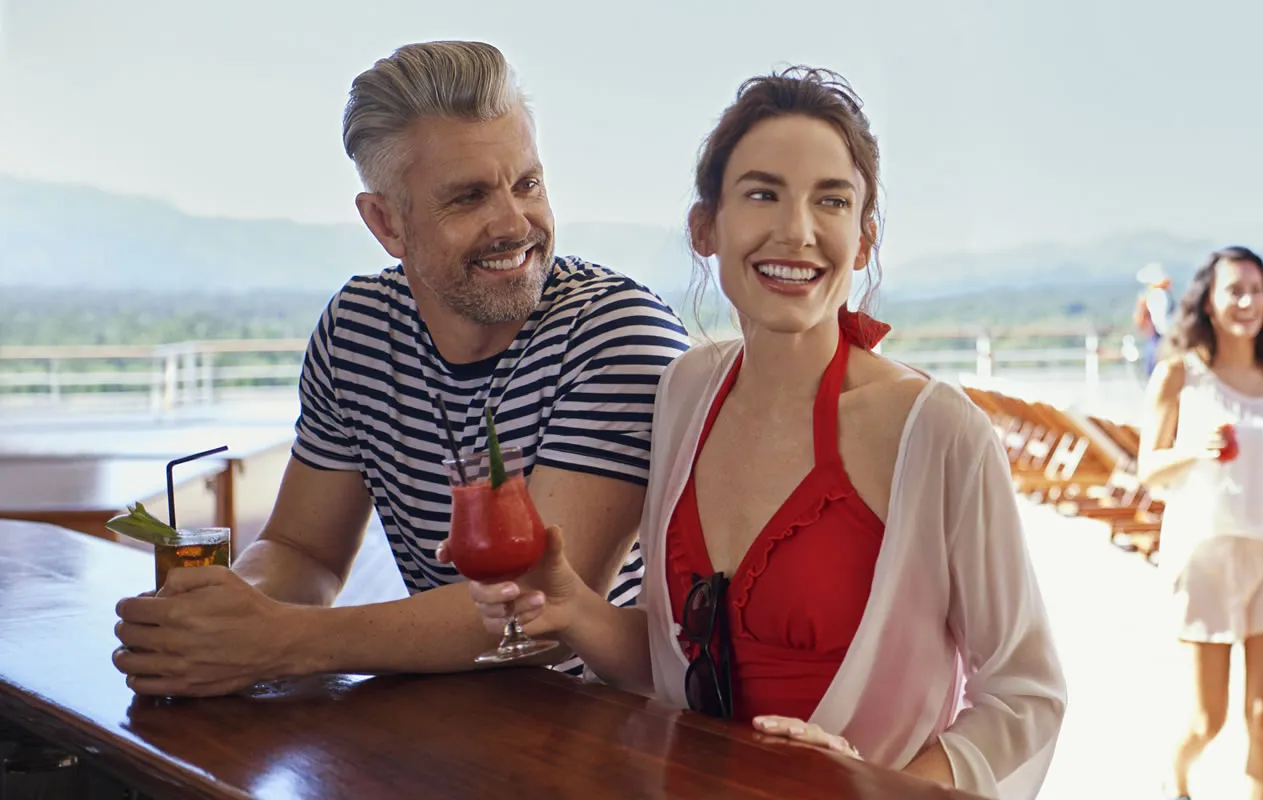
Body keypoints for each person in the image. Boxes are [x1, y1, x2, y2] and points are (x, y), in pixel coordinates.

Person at [457, 67, 1065, 798]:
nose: (797, 231)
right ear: (705, 227)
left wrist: (880, 788)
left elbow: (1026, 697)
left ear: (864, 238)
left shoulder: (937, 431)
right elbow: (677, 670)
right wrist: (571, 606)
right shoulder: (686, 391)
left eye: (831, 201)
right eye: (762, 193)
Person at [110, 41, 690, 696]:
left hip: (610, 734)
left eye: (527, 183)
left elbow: (540, 612)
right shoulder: (358, 327)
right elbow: (304, 551)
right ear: (386, 222)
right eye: (469, 198)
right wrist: (226, 610)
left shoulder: (617, 331)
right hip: (442, 724)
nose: (514, 222)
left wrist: (276, 640)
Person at [1138, 247, 1263, 800]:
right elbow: (1148, 470)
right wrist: (1192, 450)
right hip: (1205, 556)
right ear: (1209, 301)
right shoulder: (1180, 375)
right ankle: (1174, 775)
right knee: (1211, 719)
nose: (1247, 301)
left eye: (1257, 289)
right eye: (1234, 290)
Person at [1135, 263, 1176, 378]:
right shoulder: (1159, 295)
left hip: (1154, 341)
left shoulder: (1152, 294)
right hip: (1160, 341)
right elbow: (1162, 322)